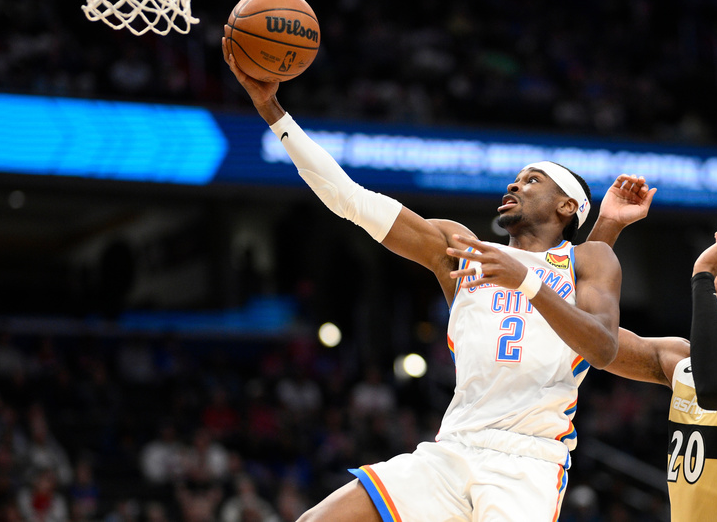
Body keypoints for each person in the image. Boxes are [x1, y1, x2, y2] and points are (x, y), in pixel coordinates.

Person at [223, 37, 648, 521]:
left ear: (566, 207)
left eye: (532, 180)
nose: (513, 184)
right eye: (516, 177)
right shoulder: (464, 252)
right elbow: (350, 199)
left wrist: (530, 280)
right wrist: (273, 110)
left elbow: (602, 347)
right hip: (454, 447)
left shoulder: (588, 261)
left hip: (527, 462)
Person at [588, 185, 717, 522]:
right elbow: (588, 335)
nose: (714, 281)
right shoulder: (679, 361)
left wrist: (701, 272)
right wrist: (609, 225)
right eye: (715, 275)